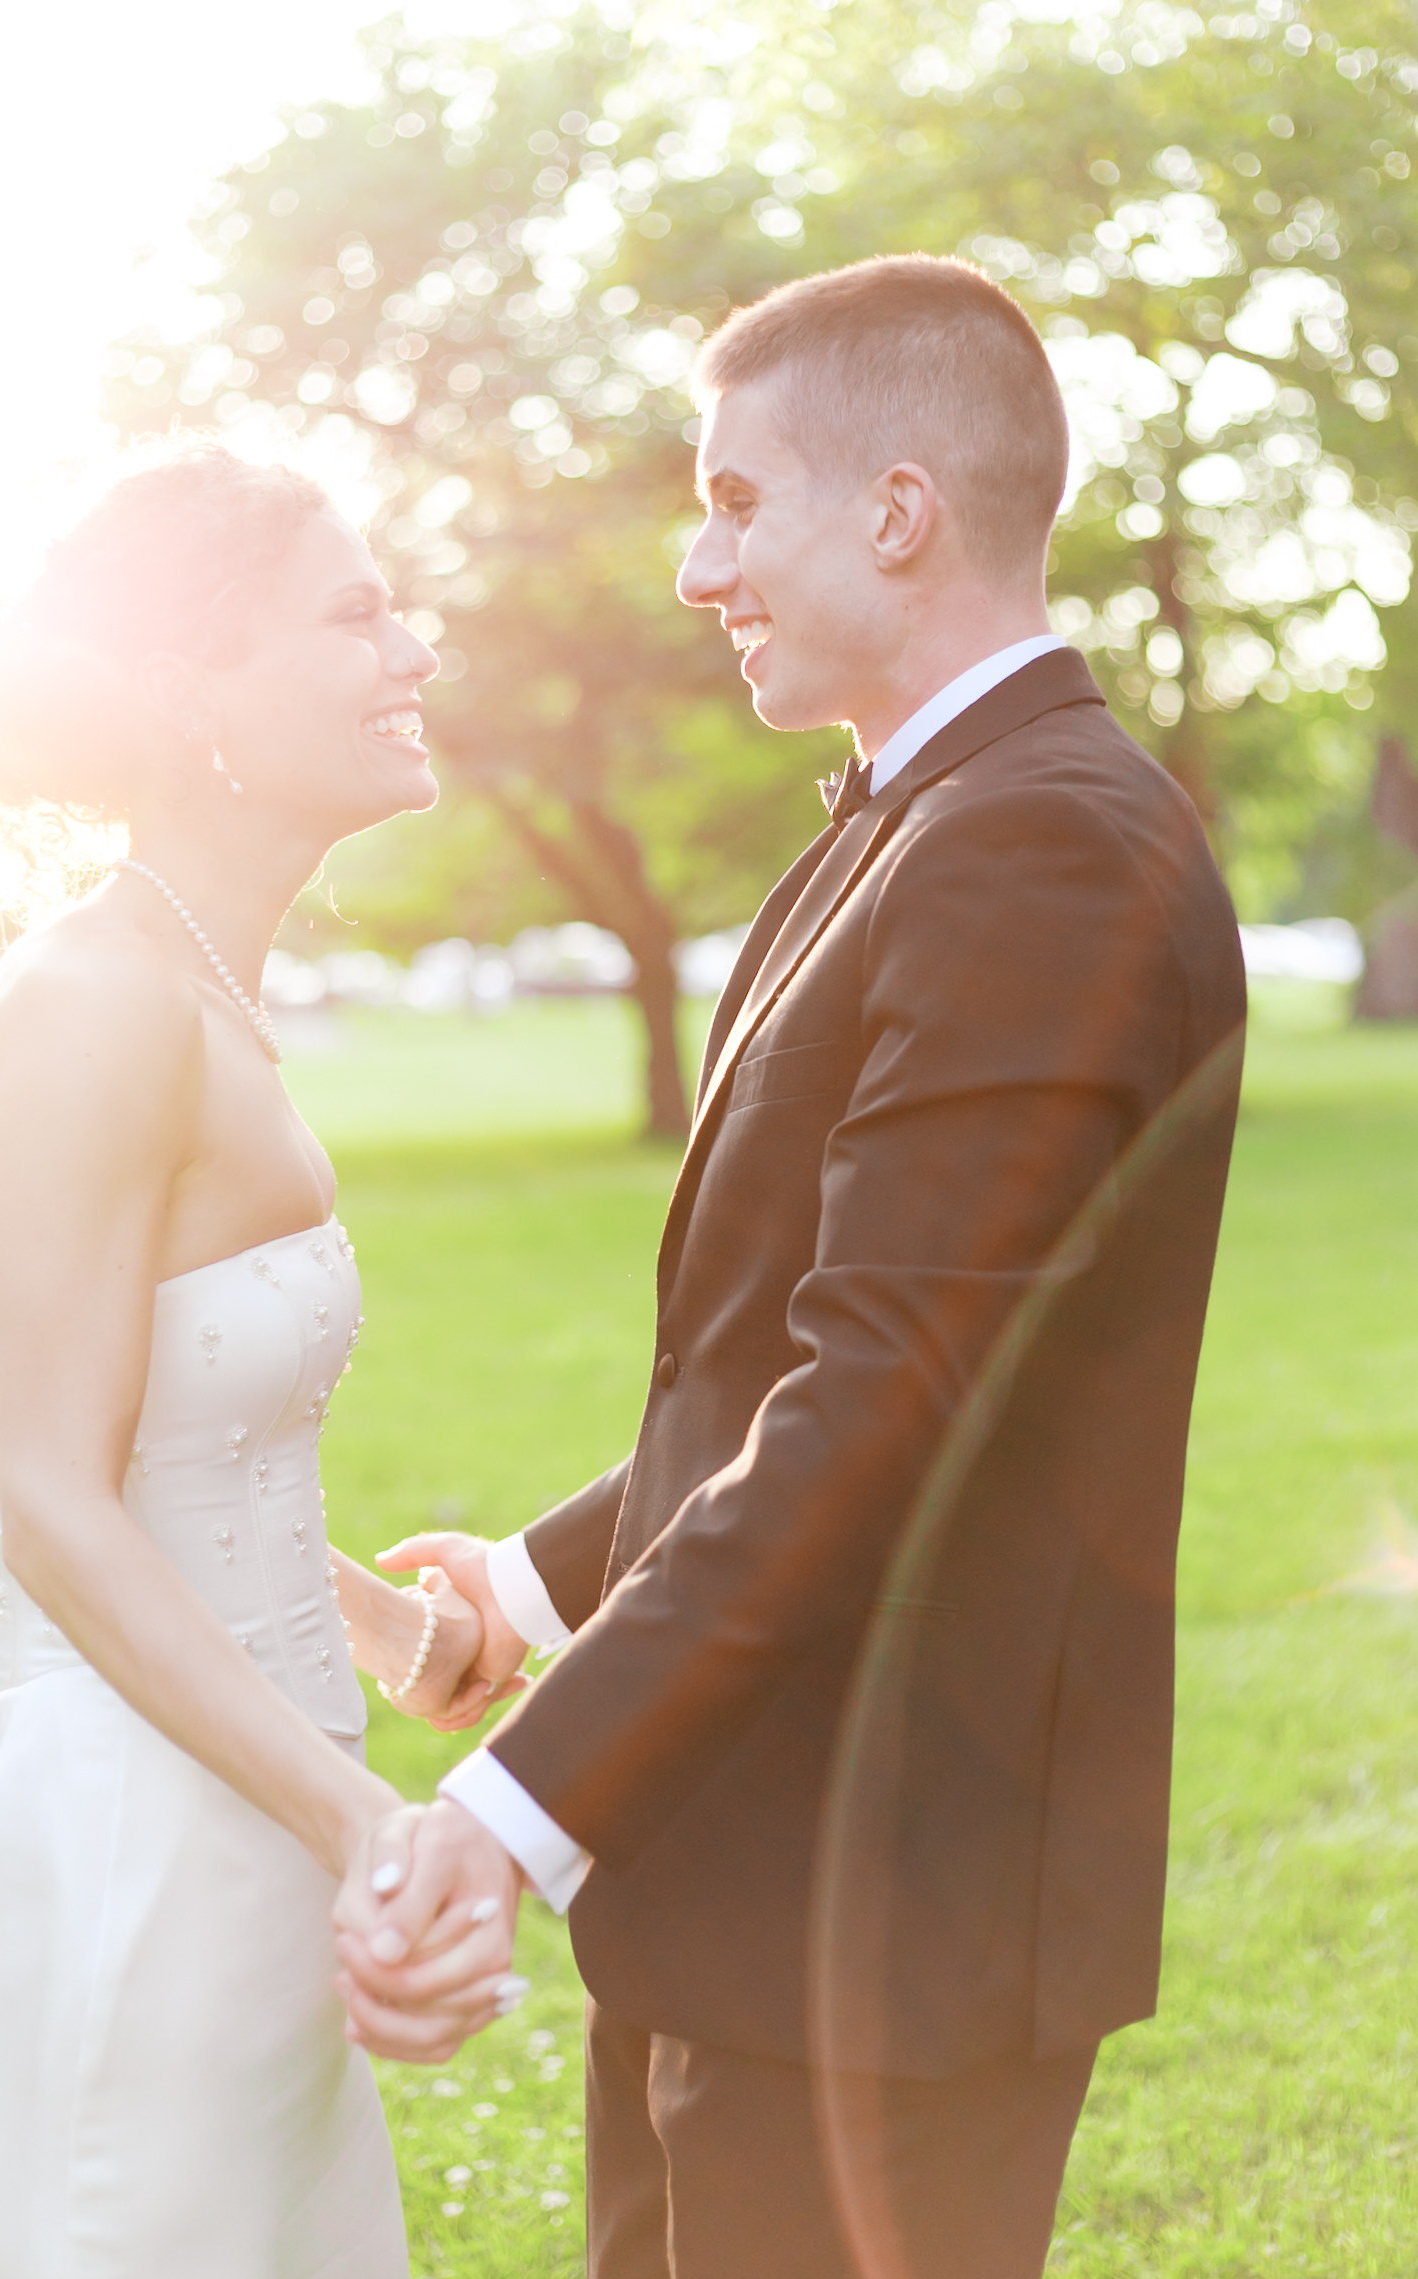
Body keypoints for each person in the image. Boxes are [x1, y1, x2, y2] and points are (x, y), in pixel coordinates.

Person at [337, 256, 1248, 2278]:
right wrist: (535, 1577)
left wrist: (505, 1811)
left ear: (896, 511)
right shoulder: (893, 832)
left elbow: (885, 1404)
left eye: (733, 501)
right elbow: (792, 1355)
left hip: (881, 1933)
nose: (694, 567)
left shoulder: (1040, 847)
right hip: (740, 1887)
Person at [0, 444, 518, 2279]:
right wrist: (367, 1828)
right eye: (353, 612)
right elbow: (52, 1508)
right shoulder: (91, 1004)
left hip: (252, 1837)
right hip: (133, 1870)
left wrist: (394, 1638)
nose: (414, 650)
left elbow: (159, 1462)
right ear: (191, 690)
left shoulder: (197, 994)